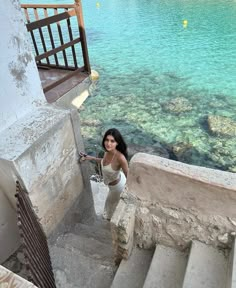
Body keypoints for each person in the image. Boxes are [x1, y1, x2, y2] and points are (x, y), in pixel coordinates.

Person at [80, 128, 128, 220]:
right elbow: (104, 162)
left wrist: (127, 193)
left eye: (112, 141)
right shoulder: (107, 152)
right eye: (107, 140)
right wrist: (90, 158)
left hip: (117, 188)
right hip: (112, 183)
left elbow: (129, 176)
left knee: (109, 205)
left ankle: (109, 220)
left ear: (117, 143)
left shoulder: (120, 158)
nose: (108, 143)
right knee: (110, 204)